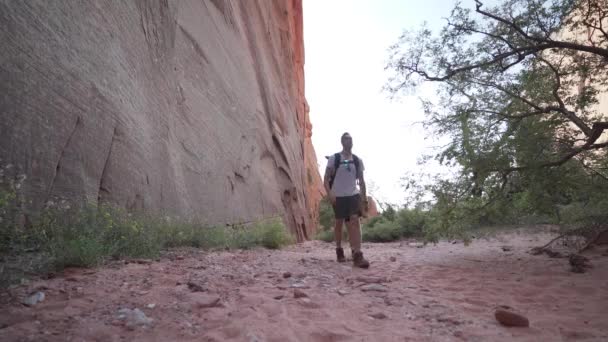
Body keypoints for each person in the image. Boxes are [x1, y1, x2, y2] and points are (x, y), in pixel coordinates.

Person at [323, 132, 370, 268]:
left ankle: (357, 254)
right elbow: (326, 179)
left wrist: (364, 198)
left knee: (354, 221)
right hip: (338, 196)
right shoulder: (334, 158)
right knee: (339, 222)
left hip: (353, 195)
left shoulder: (357, 160)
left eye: (350, 139)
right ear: (342, 142)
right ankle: (339, 249)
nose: (349, 142)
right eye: (346, 139)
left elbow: (361, 181)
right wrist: (330, 194)